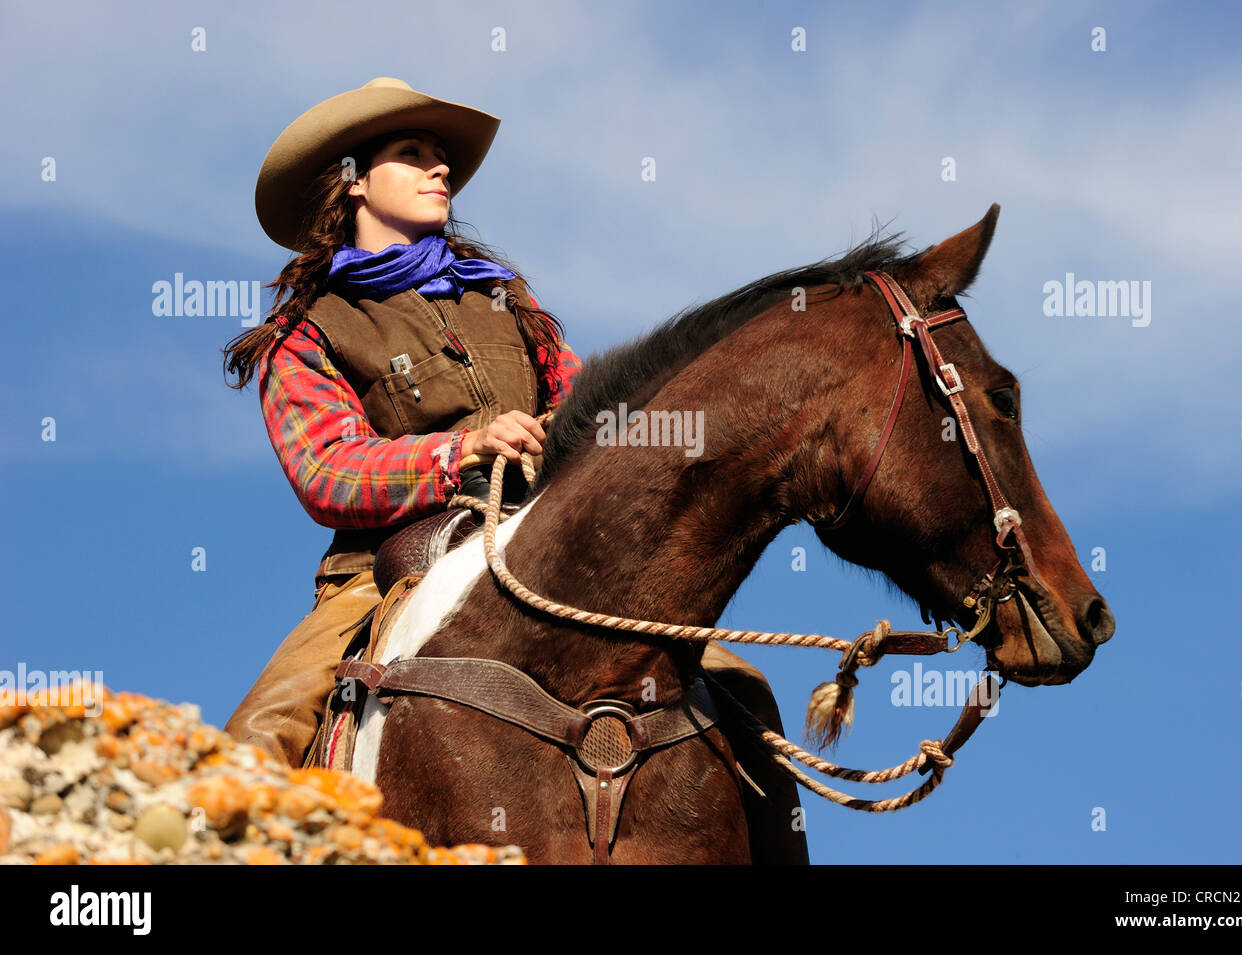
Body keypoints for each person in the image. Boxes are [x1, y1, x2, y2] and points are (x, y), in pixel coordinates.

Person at [221, 77, 808, 862]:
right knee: (250, 748)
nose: (441, 172)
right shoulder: (304, 332)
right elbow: (326, 471)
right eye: (413, 154)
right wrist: (458, 451)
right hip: (386, 573)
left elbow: (585, 410)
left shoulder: (504, 300)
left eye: (442, 158)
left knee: (743, 693)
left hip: (546, 543)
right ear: (354, 178)